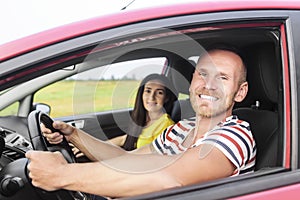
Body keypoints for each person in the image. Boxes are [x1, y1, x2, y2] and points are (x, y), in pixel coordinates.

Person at [26, 47, 256, 198]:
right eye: (203, 74)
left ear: (240, 92)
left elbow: (168, 179)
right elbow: (126, 161)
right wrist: (74, 134)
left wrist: (61, 174)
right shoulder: (180, 129)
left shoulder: (235, 136)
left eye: (223, 78)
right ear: (192, 81)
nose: (209, 84)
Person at [110, 74, 177, 150]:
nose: (151, 97)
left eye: (159, 93)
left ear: (166, 98)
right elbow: (124, 139)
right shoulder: (144, 119)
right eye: (148, 91)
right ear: (141, 94)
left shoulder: (167, 125)